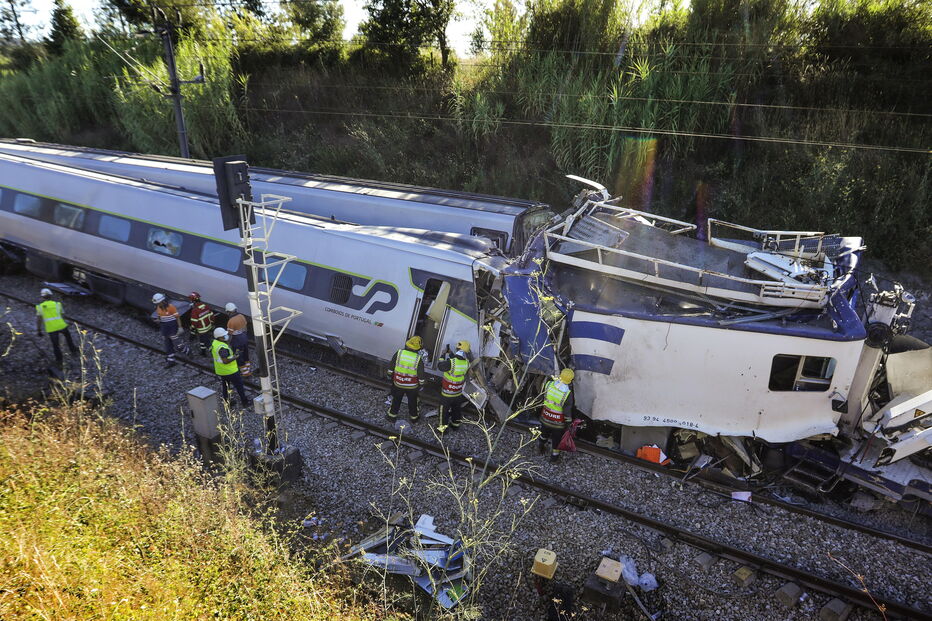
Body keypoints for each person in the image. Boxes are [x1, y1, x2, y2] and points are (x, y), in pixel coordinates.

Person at [538, 369, 575, 462]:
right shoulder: (567, 393)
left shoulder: (549, 384)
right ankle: (554, 457)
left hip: (545, 417)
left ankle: (540, 446)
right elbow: (567, 411)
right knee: (556, 439)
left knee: (544, 433)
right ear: (570, 380)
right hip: (558, 423)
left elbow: (541, 398)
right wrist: (568, 423)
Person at [386, 335, 426, 422]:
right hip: (412, 386)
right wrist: (422, 385)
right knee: (412, 402)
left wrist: (389, 375)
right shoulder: (418, 359)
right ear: (418, 348)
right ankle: (414, 418)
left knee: (396, 400)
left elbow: (391, 365)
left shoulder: (399, 353)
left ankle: (392, 416)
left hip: (398, 383)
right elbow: (421, 374)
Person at [35, 288, 78, 365]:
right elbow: (63, 315)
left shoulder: (40, 307)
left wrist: (39, 330)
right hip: (61, 325)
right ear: (51, 296)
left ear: (42, 297)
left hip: (52, 328)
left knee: (56, 345)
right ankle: (73, 350)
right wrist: (64, 323)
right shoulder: (58, 304)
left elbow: (39, 320)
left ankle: (59, 360)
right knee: (68, 338)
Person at [437, 340, 471, 433]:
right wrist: (451, 354)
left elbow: (440, 366)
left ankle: (443, 430)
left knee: (443, 412)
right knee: (456, 410)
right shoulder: (467, 363)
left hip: (447, 394)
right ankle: (455, 426)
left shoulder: (450, 363)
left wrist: (443, 354)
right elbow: (458, 361)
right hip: (457, 393)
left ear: (457, 349)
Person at [211, 327, 248, 407]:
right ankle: (245, 402)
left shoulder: (215, 343)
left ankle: (227, 403)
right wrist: (235, 357)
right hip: (230, 371)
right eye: (224, 335)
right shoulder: (222, 348)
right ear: (219, 337)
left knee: (226, 387)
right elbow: (225, 361)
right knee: (239, 386)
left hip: (222, 371)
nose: (226, 336)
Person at [152, 293, 189, 368]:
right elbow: (160, 317)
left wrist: (180, 327)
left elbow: (177, 317)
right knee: (168, 345)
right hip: (165, 328)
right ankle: (171, 361)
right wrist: (158, 320)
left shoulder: (171, 307)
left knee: (177, 344)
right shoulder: (158, 307)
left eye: (158, 303)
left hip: (172, 327)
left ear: (162, 301)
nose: (157, 304)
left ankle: (186, 350)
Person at [225, 302, 252, 377]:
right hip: (244, 337)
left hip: (237, 340)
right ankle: (248, 368)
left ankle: (245, 373)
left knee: (238, 356)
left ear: (229, 312)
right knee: (245, 353)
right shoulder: (241, 316)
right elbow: (245, 328)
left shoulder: (231, 321)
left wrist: (228, 343)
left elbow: (230, 334)